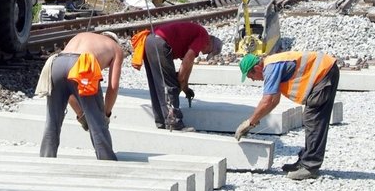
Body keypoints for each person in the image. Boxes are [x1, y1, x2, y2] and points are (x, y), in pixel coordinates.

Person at [235, 51, 341, 180]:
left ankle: (310, 166)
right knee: (311, 118)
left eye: (251, 75)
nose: (252, 79)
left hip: (324, 73)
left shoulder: (270, 68)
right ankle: (304, 162)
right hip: (325, 72)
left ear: (257, 68)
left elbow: (267, 100)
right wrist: (253, 122)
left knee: (313, 119)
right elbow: (274, 101)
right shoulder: (272, 65)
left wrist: (249, 122)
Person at [38, 31, 124, 160]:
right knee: (97, 122)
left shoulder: (85, 37)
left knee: (52, 120)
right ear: (115, 40)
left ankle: (46, 158)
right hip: (82, 64)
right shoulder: (116, 48)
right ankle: (107, 160)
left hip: (57, 63)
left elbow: (71, 89)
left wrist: (80, 113)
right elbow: (113, 86)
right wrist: (105, 113)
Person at [143, 21, 222, 131]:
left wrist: (185, 88)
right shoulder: (203, 37)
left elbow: (188, 66)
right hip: (160, 42)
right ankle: (174, 122)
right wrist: (179, 80)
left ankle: (161, 121)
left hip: (150, 41)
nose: (204, 54)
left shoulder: (197, 36)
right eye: (208, 52)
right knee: (170, 85)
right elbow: (188, 59)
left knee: (157, 85)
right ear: (210, 43)